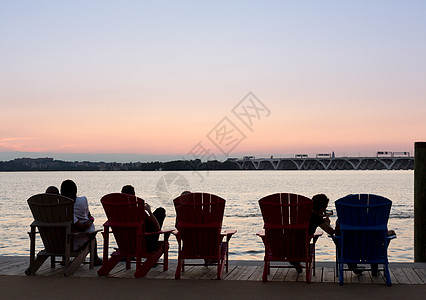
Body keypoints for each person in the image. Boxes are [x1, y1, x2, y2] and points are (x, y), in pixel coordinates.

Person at [60, 179, 102, 266]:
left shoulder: (58, 207)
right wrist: (91, 220)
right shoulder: (81, 201)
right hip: (74, 241)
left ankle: (65, 258)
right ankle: (95, 259)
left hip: (59, 241)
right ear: (75, 190)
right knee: (92, 236)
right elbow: (84, 223)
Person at [291, 194, 334, 273]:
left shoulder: (299, 214)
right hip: (302, 249)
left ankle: (295, 262)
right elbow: (330, 231)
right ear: (321, 209)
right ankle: (296, 261)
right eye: (325, 208)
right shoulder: (316, 218)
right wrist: (327, 223)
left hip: (285, 246)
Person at [121, 185, 166, 252]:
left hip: (125, 245)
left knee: (158, 211)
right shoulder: (138, 212)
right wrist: (149, 211)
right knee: (160, 211)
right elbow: (157, 227)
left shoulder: (117, 213)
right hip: (145, 246)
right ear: (134, 196)